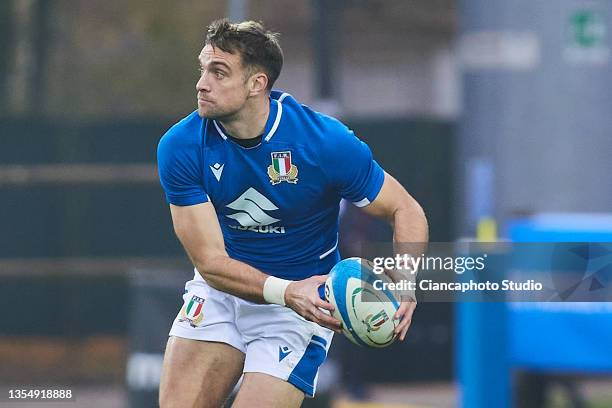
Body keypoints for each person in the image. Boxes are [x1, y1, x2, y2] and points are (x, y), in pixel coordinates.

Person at [156, 19, 428, 408]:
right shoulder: (180, 146)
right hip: (223, 292)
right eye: (203, 69)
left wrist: (405, 277)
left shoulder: (323, 142)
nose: (202, 83)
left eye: (219, 72)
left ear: (257, 84)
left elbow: (405, 208)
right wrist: (286, 291)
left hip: (301, 310)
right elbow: (211, 262)